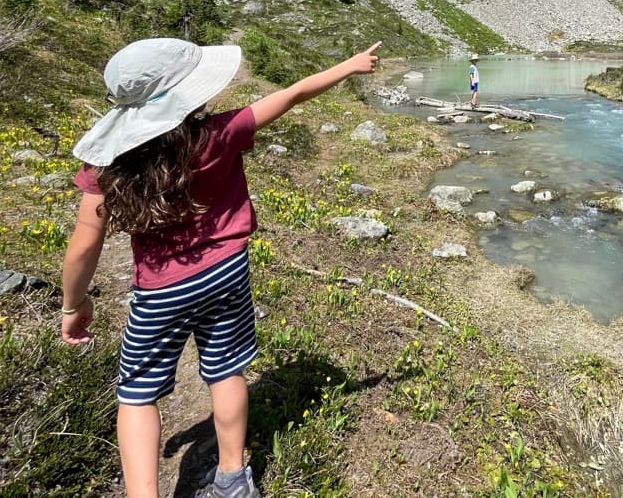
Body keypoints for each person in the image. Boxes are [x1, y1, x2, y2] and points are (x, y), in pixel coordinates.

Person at [59, 37, 381, 498]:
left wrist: (75, 302)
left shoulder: (107, 164)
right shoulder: (218, 133)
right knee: (226, 370)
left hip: (160, 290)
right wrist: (348, 66)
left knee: (137, 394)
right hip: (228, 271)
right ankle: (233, 478)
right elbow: (292, 94)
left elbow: (83, 245)